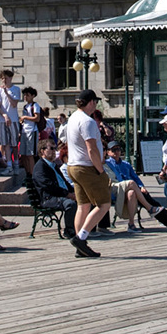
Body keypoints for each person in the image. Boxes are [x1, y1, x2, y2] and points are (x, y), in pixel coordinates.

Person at [61, 90, 113, 259]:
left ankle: (80, 247)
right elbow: (92, 150)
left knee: (83, 206)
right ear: (90, 102)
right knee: (103, 204)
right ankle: (81, 238)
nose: (96, 105)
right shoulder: (87, 122)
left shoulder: (73, 118)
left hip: (73, 166)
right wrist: (101, 171)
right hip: (86, 167)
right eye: (95, 102)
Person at [106, 139, 167, 230]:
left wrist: (141, 186)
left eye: (118, 149)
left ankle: (132, 224)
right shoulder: (107, 165)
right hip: (119, 190)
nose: (116, 152)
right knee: (146, 198)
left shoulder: (126, 164)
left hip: (133, 189)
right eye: (113, 150)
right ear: (108, 152)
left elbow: (136, 178)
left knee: (135, 193)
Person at [29, 138, 78, 240]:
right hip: (49, 198)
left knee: (86, 198)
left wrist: (73, 192)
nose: (54, 151)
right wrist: (67, 194)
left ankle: (88, 228)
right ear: (42, 151)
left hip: (61, 195)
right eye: (51, 148)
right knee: (70, 204)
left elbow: (64, 182)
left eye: (55, 149)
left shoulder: (54, 166)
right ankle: (69, 231)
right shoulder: (40, 167)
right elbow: (49, 186)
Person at [0, 70, 22, 171]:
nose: (4, 80)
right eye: (2, 78)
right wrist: (4, 115)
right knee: (5, 143)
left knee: (14, 144)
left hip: (13, 120)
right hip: (2, 121)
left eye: (6, 78)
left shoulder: (16, 89)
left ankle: (16, 163)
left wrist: (7, 93)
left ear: (10, 78)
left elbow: (14, 104)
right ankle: (9, 165)